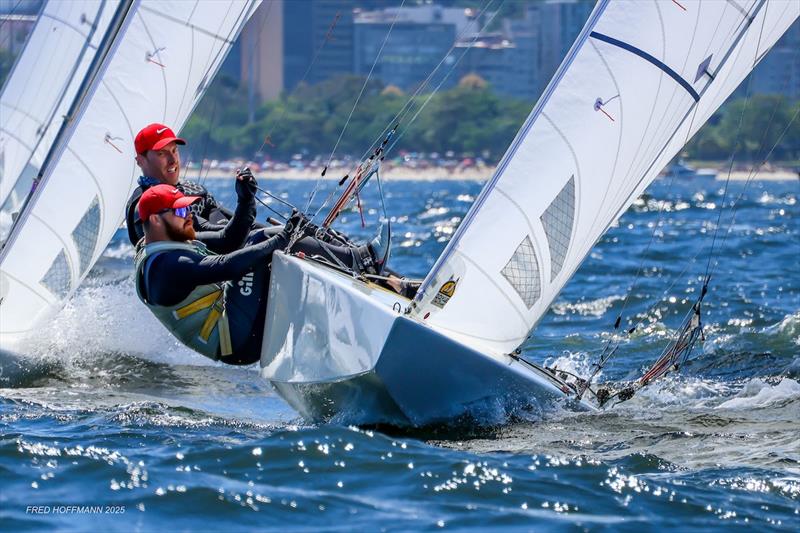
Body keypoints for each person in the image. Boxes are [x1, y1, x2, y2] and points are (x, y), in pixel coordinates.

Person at [134, 181, 392, 365]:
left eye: (188, 209)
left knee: (268, 242)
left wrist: (246, 199)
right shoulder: (165, 268)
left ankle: (361, 275)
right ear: (155, 220)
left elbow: (228, 239)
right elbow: (228, 266)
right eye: (180, 211)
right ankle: (363, 260)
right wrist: (282, 238)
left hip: (236, 325)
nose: (188, 216)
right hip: (235, 342)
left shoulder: (164, 244)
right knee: (265, 242)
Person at [125, 123, 261, 246]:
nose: (173, 160)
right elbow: (227, 240)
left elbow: (234, 227)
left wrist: (275, 233)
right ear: (140, 161)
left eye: (174, 151)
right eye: (161, 154)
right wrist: (246, 201)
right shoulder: (148, 206)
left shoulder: (195, 191)